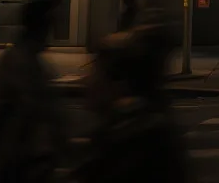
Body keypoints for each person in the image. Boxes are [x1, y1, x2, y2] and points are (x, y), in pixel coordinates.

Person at [74, 29, 190, 183]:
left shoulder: (131, 143)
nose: (87, 81)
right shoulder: (137, 128)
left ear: (118, 82)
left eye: (96, 72)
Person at [0, 0, 65, 183]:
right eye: (52, 23)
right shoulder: (21, 62)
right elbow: (24, 111)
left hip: (24, 157)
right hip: (18, 159)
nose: (55, 29)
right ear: (42, 26)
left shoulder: (28, 59)